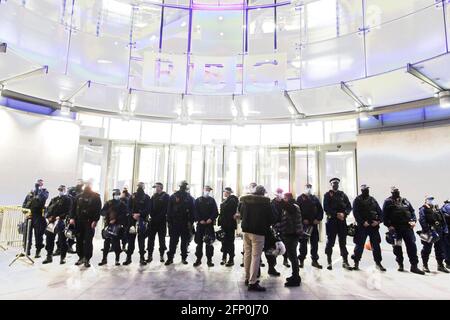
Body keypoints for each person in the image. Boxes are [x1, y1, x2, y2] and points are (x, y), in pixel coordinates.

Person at [240, 185, 276, 292]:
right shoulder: (265, 203)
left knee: (247, 254)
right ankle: (253, 282)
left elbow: (241, 214)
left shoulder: (246, 201)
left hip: (246, 231)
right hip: (258, 232)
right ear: (263, 193)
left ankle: (247, 278)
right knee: (256, 257)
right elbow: (272, 218)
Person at [382, 186, 424, 275]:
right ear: (391, 193)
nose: (396, 193)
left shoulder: (405, 201)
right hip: (395, 228)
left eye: (397, 191)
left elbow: (412, 212)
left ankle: (414, 266)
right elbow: (384, 216)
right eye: (394, 192)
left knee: (412, 246)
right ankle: (400, 264)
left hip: (407, 227)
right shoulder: (388, 202)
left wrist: (413, 221)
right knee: (397, 247)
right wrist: (389, 225)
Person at [351, 185, 386, 271]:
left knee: (376, 245)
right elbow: (355, 213)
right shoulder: (357, 200)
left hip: (374, 226)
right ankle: (356, 263)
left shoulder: (373, 199)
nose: (366, 191)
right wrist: (363, 222)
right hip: (362, 226)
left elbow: (380, 212)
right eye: (364, 190)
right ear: (361, 190)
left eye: (367, 189)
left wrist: (378, 221)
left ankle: (378, 263)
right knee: (359, 244)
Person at [69, 181, 101, 268]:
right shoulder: (78, 196)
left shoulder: (96, 196)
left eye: (89, 184)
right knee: (79, 240)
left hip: (89, 222)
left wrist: (95, 220)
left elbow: (98, 210)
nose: (87, 186)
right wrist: (72, 218)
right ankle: (81, 257)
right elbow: (73, 208)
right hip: (79, 221)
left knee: (88, 241)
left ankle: (87, 259)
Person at [323, 178, 352, 270]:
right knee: (330, 242)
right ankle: (329, 262)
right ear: (330, 184)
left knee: (343, 242)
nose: (335, 184)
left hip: (342, 221)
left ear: (338, 184)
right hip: (332, 221)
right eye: (333, 183)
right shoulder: (327, 195)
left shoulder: (343, 194)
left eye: (336, 183)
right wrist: (336, 214)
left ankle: (345, 261)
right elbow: (326, 208)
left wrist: (344, 214)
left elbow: (349, 206)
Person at [165, 181, 196, 266]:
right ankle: (170, 258)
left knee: (184, 242)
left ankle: (183, 258)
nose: (183, 187)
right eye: (182, 186)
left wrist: (191, 222)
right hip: (175, 222)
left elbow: (192, 211)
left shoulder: (189, 198)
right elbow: (169, 210)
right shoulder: (173, 196)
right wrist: (169, 222)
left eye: (184, 186)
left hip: (185, 223)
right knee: (173, 242)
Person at [42, 185, 72, 264]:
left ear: (65, 190)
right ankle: (49, 256)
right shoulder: (54, 199)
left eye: (62, 190)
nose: (61, 191)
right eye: (60, 189)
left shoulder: (68, 199)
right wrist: (48, 217)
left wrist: (60, 217)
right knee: (49, 239)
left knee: (62, 241)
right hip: (52, 221)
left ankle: (63, 257)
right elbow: (48, 209)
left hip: (61, 221)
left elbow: (69, 211)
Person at [419, 196, 449, 273]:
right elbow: (422, 220)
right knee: (427, 249)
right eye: (430, 199)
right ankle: (425, 265)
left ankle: (440, 265)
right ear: (426, 201)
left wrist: (445, 230)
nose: (431, 201)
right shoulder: (423, 209)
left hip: (439, 231)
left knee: (440, 249)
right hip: (429, 231)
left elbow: (443, 220)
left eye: (432, 199)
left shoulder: (438, 209)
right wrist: (427, 230)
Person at [98, 189, 128, 266]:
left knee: (117, 244)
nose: (117, 195)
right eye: (115, 194)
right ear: (113, 194)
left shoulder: (122, 204)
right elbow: (102, 212)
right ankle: (104, 259)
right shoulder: (108, 203)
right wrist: (108, 214)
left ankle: (117, 260)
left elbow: (125, 214)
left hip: (117, 226)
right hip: (109, 225)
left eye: (118, 194)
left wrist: (116, 219)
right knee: (106, 243)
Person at [278, 193, 303, 287]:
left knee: (293, 256)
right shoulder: (291, 206)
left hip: (292, 235)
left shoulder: (293, 207)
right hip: (289, 234)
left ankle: (296, 278)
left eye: (285, 198)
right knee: (291, 255)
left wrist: (280, 200)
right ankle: (295, 275)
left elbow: (286, 206)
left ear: (289, 198)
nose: (284, 200)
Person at [296, 183, 323, 269]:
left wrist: (318, 219)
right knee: (303, 243)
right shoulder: (300, 198)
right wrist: (303, 219)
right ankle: (301, 260)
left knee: (314, 243)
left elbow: (320, 210)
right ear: (304, 188)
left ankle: (314, 261)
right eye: (307, 187)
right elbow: (297, 210)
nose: (309, 189)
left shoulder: (315, 198)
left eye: (310, 187)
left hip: (313, 224)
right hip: (304, 225)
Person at [124, 182, 151, 266]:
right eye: (138, 186)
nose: (139, 188)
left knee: (141, 241)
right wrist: (133, 214)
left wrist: (140, 214)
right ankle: (128, 258)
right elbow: (128, 207)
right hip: (132, 221)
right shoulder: (132, 196)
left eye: (140, 187)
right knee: (131, 241)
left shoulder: (146, 197)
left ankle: (142, 258)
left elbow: (148, 208)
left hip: (142, 221)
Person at [22, 178, 49, 258]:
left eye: (41, 182)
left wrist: (38, 190)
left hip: (38, 216)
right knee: (27, 234)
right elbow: (24, 205)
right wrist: (26, 212)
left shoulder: (44, 192)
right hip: (29, 216)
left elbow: (42, 200)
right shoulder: (30, 194)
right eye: (38, 182)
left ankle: (38, 251)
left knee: (38, 235)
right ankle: (27, 250)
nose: (39, 183)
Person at [193, 186, 218, 267]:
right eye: (206, 190)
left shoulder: (212, 200)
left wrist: (211, 219)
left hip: (209, 225)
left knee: (209, 243)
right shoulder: (198, 200)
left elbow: (215, 211)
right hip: (200, 225)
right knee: (199, 243)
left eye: (209, 190)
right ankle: (198, 259)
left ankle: (209, 260)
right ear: (203, 190)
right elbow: (195, 211)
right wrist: (199, 220)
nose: (207, 191)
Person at [147, 182, 170, 263]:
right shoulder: (153, 196)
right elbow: (150, 207)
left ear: (160, 187)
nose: (155, 188)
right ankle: (150, 255)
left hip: (161, 221)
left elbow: (166, 209)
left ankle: (162, 255)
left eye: (156, 187)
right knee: (150, 239)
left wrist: (159, 217)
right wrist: (152, 216)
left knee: (162, 239)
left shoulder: (166, 196)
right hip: (153, 221)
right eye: (155, 187)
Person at [218, 187, 239, 267]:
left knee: (229, 242)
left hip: (229, 225)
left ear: (229, 192)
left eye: (225, 192)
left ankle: (231, 259)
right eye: (224, 192)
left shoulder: (232, 200)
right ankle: (224, 257)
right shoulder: (227, 200)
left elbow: (227, 212)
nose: (224, 193)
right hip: (225, 224)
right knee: (224, 241)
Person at [442, 200, 450, 269]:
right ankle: (448, 263)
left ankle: (448, 262)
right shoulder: (447, 207)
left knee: (447, 246)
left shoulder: (444, 207)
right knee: (447, 246)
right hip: (447, 230)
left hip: (446, 230)